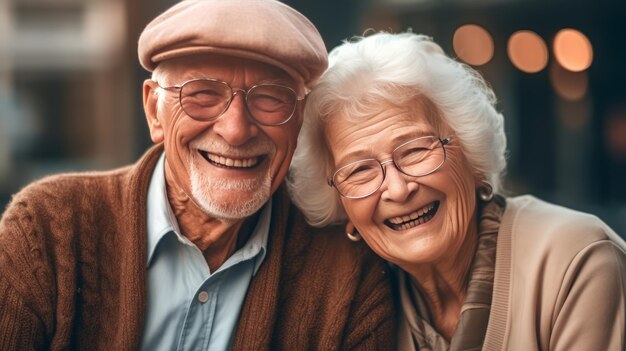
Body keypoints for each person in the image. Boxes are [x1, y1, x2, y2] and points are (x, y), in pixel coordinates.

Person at [0, 1, 396, 350]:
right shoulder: (47, 231)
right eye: (202, 93)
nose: (236, 130)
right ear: (154, 110)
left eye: (270, 98)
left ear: (299, 122)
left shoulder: (346, 275)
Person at [288, 31, 626, 350]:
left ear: (470, 150)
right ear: (340, 205)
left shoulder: (576, 259)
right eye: (359, 170)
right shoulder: (364, 307)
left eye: (416, 150)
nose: (398, 189)